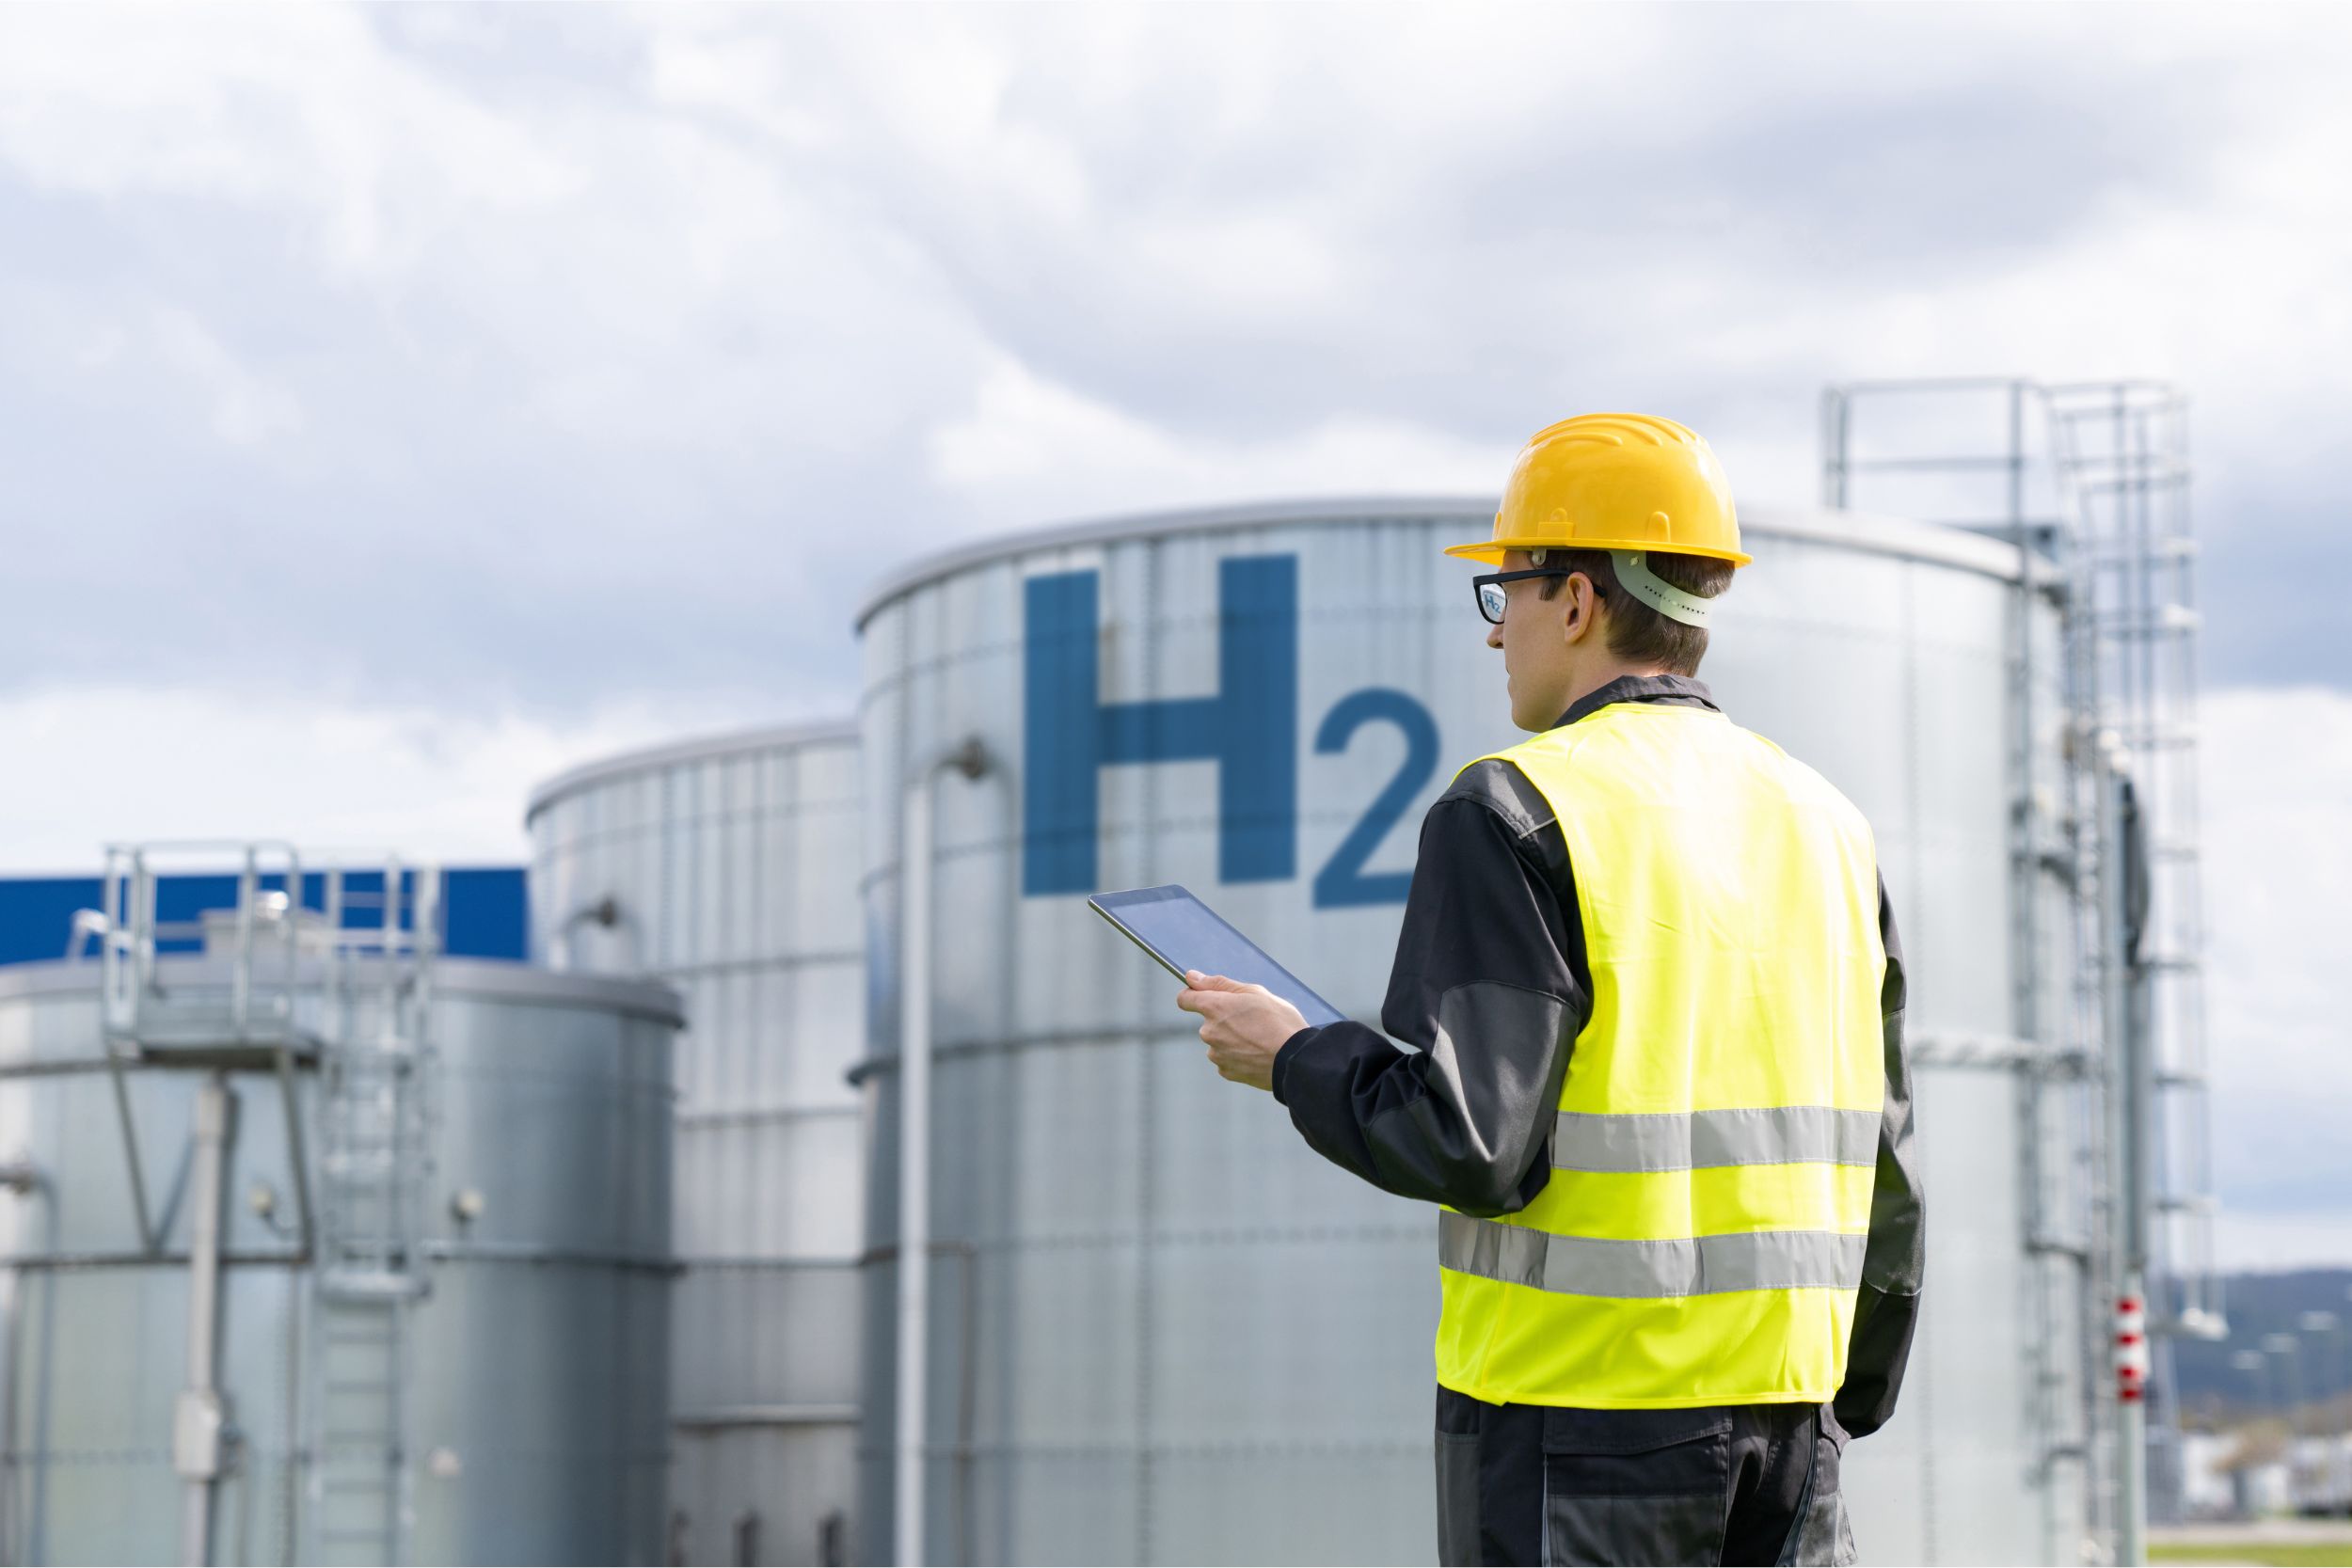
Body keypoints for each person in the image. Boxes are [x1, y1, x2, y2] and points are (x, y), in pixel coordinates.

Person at [1176, 413, 1923, 1568]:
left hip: (1576, 1429)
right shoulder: (1827, 821)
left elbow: (1465, 1139)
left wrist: (1292, 1055)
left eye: (1504, 593)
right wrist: (1848, 1389)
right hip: (1793, 1425)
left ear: (1575, 600)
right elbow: (1885, 1147)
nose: (1496, 635)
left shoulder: (1515, 808)